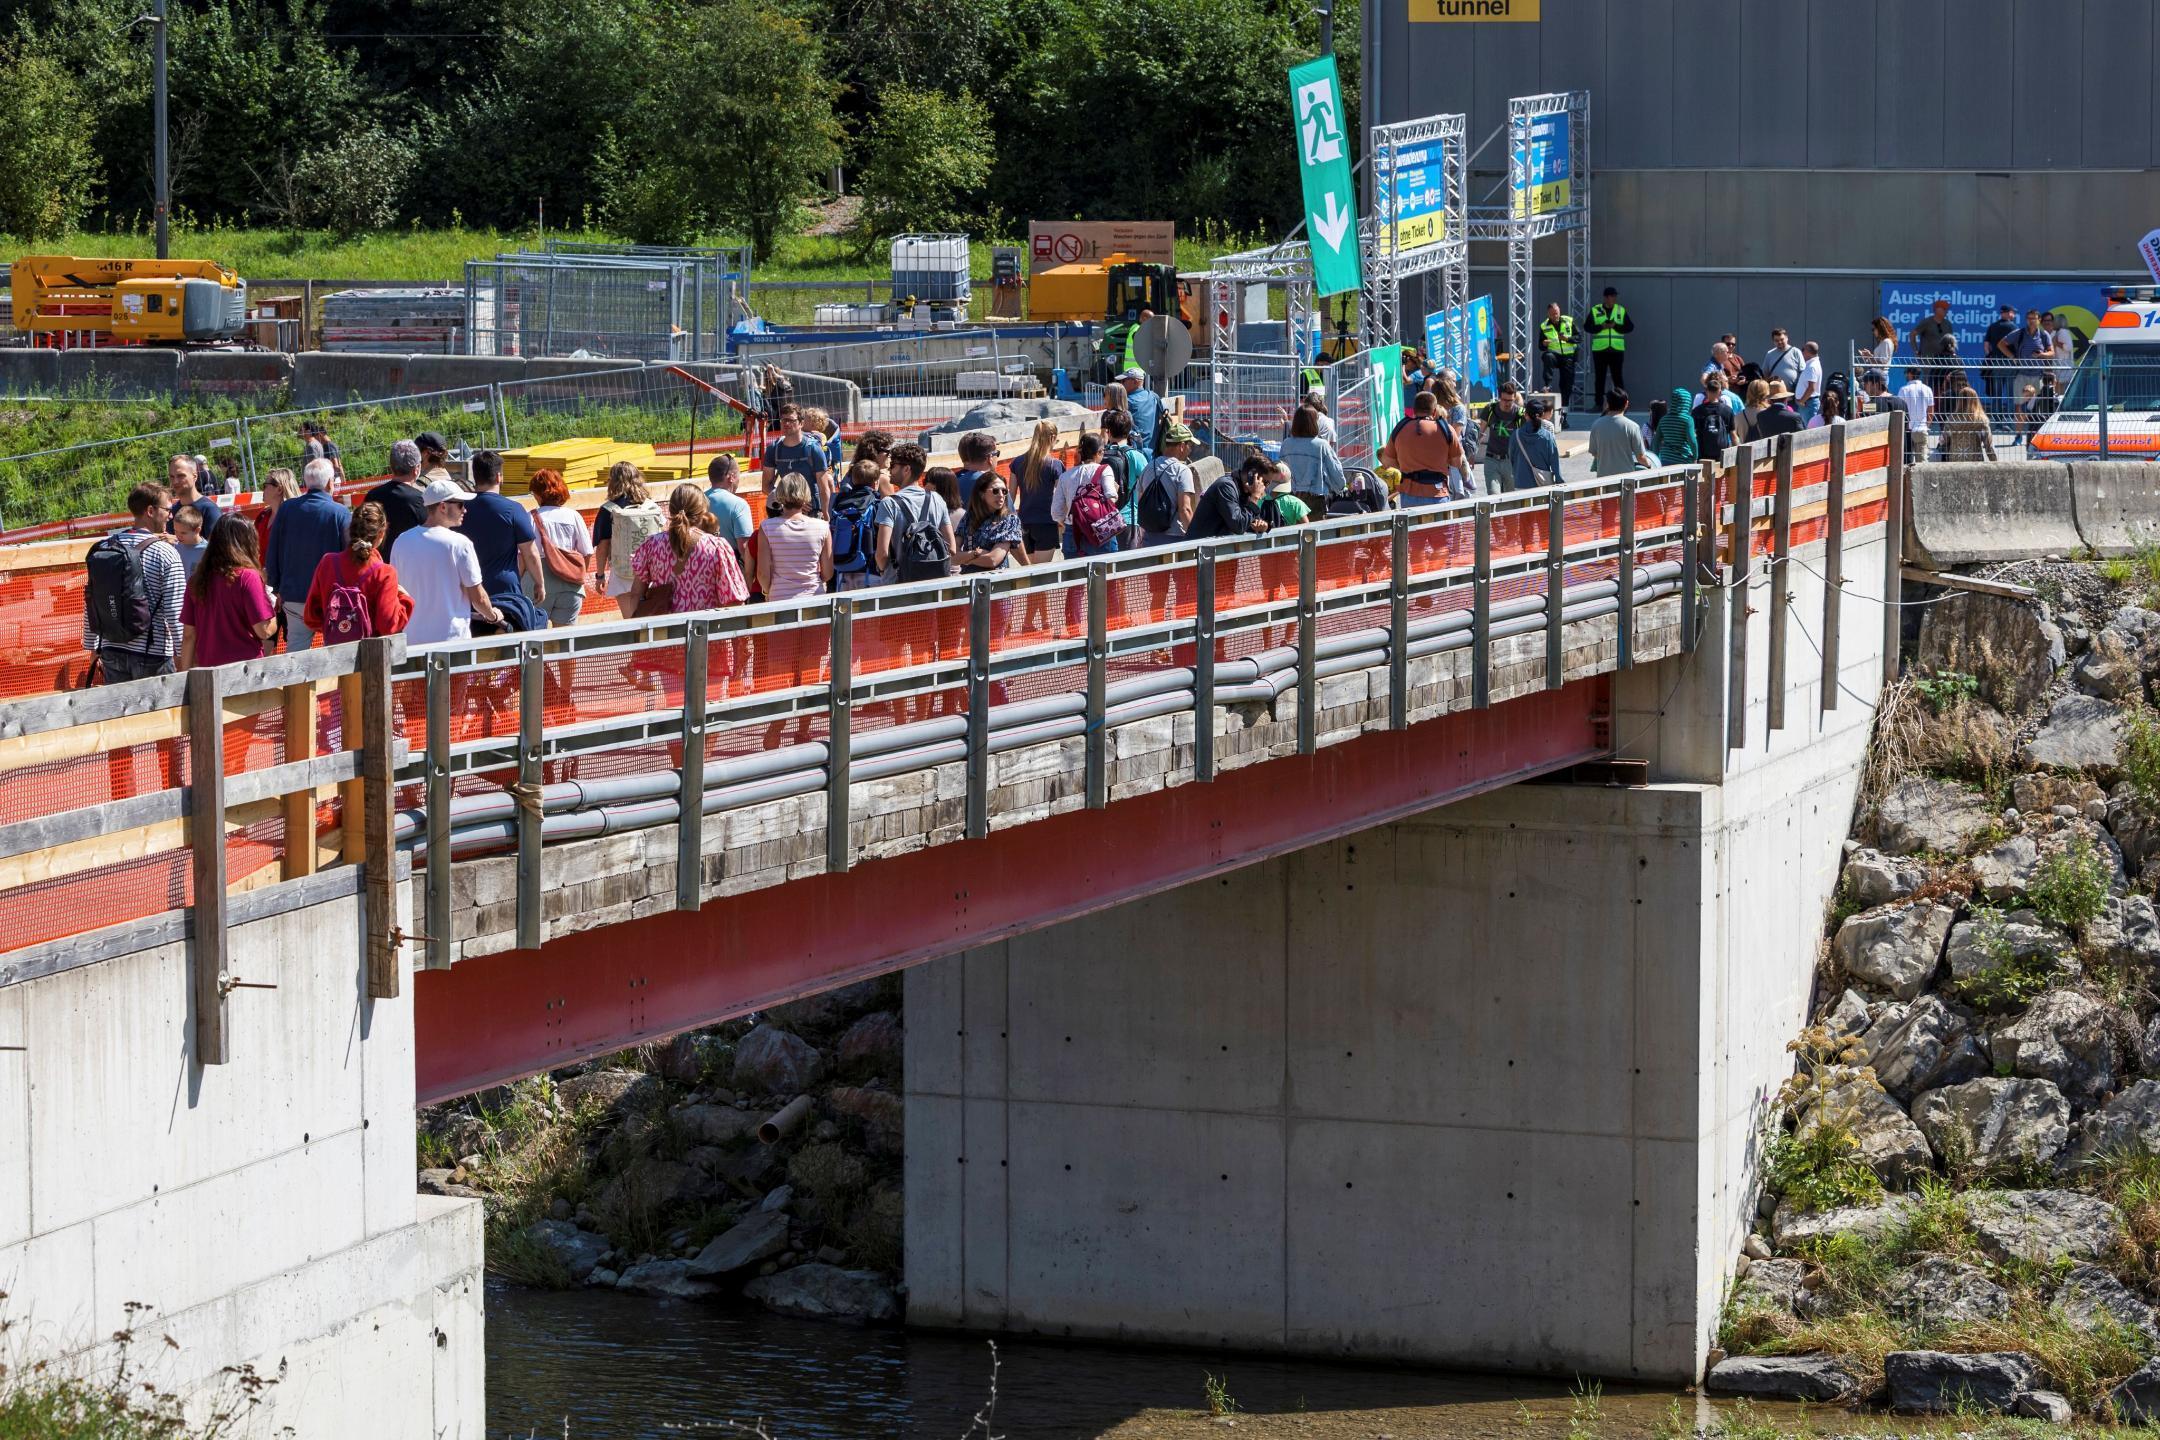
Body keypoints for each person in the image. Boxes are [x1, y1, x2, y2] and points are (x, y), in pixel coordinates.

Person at [83, 485, 186, 684]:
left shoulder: (104, 547)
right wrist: (183, 655)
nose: (170, 516)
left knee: (122, 715)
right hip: (153, 654)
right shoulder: (165, 553)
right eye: (167, 510)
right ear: (150, 511)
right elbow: (175, 610)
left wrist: (92, 646)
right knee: (161, 715)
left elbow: (92, 601)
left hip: (111, 650)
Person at [390, 476, 501, 644]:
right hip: (452, 641)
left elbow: (396, 590)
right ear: (442, 506)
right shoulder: (459, 543)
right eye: (460, 505)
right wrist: (493, 616)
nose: (465, 510)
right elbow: (478, 598)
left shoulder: (401, 541)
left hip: (412, 640)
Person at [264, 456, 350, 651]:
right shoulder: (340, 513)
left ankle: (297, 684)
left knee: (296, 653)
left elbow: (273, 550)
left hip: (293, 598)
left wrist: (276, 588)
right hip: (330, 598)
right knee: (334, 651)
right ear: (330, 483)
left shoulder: (287, 509)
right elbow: (348, 556)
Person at [628, 484, 749, 616]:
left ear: (670, 510)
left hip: (664, 632)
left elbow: (635, 594)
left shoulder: (651, 545)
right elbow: (734, 601)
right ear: (703, 512)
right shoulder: (717, 547)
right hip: (706, 632)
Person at [178, 516, 278, 670]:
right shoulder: (248, 577)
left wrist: (185, 676)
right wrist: (273, 608)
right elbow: (264, 631)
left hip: (208, 673)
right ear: (247, 542)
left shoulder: (195, 580)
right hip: (244, 672)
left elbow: (189, 636)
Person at [304, 501, 410, 642]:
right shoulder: (385, 573)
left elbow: (311, 617)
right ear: (381, 533)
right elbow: (388, 625)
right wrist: (405, 601)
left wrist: (341, 629)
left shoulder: (327, 563)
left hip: (334, 654)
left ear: (351, 529)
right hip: (373, 656)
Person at [458, 449, 539, 605]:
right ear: (498, 477)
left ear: (475, 477)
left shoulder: (459, 510)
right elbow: (530, 552)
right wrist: (540, 583)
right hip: (505, 590)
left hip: (469, 589)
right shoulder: (514, 509)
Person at [592, 462, 665, 618]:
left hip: (623, 572)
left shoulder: (608, 509)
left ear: (612, 481)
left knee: (631, 620)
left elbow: (603, 546)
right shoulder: (651, 506)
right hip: (651, 571)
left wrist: (600, 576)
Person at [876, 443, 956, 582]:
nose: (889, 469)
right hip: (934, 582)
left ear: (906, 469)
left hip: (898, 583)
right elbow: (952, 548)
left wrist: (884, 571)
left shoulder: (889, 503)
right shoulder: (937, 499)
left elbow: (882, 553)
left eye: (893, 465)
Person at [526, 469, 593, 628]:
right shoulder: (573, 516)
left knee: (535, 641)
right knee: (565, 641)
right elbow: (587, 552)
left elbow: (525, 555)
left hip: (536, 582)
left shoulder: (530, 517)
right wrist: (577, 577)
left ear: (538, 494)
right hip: (570, 585)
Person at [756, 474, 833, 602]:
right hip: (815, 598)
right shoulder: (823, 527)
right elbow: (828, 572)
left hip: (780, 599)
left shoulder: (766, 527)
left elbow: (763, 574)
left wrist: (770, 590)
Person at [1381, 391, 1466, 507]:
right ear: (1435, 411)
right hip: (1438, 493)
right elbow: (1457, 462)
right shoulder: (1446, 429)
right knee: (1438, 526)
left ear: (1414, 410)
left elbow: (1386, 461)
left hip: (1409, 494)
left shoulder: (1400, 428)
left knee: (1412, 525)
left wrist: (1405, 465)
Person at [1052, 431, 1123, 558]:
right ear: (1100, 452)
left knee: (1074, 577)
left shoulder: (1065, 476)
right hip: (1102, 530)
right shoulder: (1104, 470)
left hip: (1072, 532)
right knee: (1106, 575)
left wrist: (1071, 522)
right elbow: (1111, 497)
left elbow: (1056, 512)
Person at [1132, 419, 1200, 543]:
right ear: (1182, 446)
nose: (1190, 450)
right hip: (1173, 539)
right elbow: (1185, 509)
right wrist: (1195, 538)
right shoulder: (1182, 471)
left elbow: (1140, 499)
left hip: (1150, 537)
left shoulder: (1149, 467)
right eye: (1190, 445)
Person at [762, 405, 831, 516]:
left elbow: (824, 488)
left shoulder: (813, 449)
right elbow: (766, 487)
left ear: (801, 423)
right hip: (785, 512)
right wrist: (793, 501)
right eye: (783, 420)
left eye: (791, 420)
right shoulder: (773, 449)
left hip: (812, 512)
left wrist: (826, 515)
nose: (786, 424)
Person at [1011, 420, 1065, 563]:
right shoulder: (1055, 465)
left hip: (1023, 523)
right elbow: (1061, 496)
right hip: (1046, 522)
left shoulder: (1017, 462)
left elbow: (1009, 497)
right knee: (1042, 575)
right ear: (1052, 438)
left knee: (1029, 573)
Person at [1279, 404, 1346, 515]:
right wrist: (1340, 487)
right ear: (1314, 423)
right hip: (1315, 499)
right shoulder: (1321, 445)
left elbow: (1281, 470)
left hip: (1290, 497)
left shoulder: (1286, 444)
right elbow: (1335, 470)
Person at [364, 440, 429, 553]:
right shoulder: (420, 500)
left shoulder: (372, 496)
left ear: (391, 467)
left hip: (378, 564)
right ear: (416, 469)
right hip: (410, 563)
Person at [1186, 456, 1272, 539]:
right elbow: (1238, 526)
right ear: (1251, 475)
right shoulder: (1226, 486)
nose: (1264, 487)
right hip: (1199, 549)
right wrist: (1254, 498)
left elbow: (1247, 522)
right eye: (1265, 482)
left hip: (1213, 548)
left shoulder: (1244, 491)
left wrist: (1260, 526)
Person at [955, 470, 1025, 571]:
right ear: (981, 494)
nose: (1001, 495)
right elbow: (953, 556)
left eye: (1004, 491)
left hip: (996, 583)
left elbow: (993, 560)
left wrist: (965, 559)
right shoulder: (969, 517)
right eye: (995, 491)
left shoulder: (1009, 520)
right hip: (969, 580)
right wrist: (976, 553)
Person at [703, 454, 755, 573]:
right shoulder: (739, 505)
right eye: (738, 477)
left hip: (702, 566)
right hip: (731, 568)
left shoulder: (698, 500)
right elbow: (744, 548)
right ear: (731, 477)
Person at [1588, 388, 1652, 476]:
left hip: (1603, 478)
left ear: (1607, 404)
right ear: (1626, 404)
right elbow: (1640, 457)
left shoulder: (1596, 425)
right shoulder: (1632, 426)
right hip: (1626, 480)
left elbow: (1594, 453)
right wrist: (1650, 464)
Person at [1585, 287, 1632, 403]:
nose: (1614, 298)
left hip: (1616, 349)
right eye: (1612, 296)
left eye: (1615, 296)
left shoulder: (1620, 310)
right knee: (1600, 378)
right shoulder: (1596, 310)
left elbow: (1630, 327)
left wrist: (1615, 326)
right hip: (1600, 349)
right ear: (1606, 298)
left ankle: (1622, 404)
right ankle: (1598, 404)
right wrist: (1602, 326)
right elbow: (1587, 327)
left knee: (1618, 378)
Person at [1479, 381, 1526, 496]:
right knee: (1494, 496)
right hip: (1491, 459)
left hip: (1511, 462)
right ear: (1499, 397)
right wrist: (1471, 454)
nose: (1507, 403)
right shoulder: (1490, 409)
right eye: (1504, 400)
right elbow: (1480, 432)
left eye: (1510, 400)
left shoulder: (1520, 414)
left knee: (1510, 501)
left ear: (1515, 397)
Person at [1432, 376, 1475, 497]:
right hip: (1440, 455)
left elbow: (1455, 435)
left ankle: (1465, 483)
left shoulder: (1458, 408)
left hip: (1455, 453)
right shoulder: (1435, 409)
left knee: (1460, 494)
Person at [1510, 398, 1562, 490]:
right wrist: (1559, 481)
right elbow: (1555, 463)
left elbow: (1511, 459)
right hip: (1542, 485)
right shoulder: (1548, 436)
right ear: (1542, 415)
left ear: (1526, 415)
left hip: (1520, 484)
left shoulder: (1516, 435)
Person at [1937, 386, 1998, 462]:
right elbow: (1989, 446)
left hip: (1954, 462)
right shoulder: (1981, 421)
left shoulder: (1951, 420)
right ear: (1976, 401)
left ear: (1959, 401)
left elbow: (1942, 441)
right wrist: (1995, 462)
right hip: (1975, 462)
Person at [167, 454, 221, 538]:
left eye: (181, 476)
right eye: (172, 477)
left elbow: (217, 548)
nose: (175, 481)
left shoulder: (209, 510)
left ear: (194, 476)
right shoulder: (172, 511)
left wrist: (177, 541)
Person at [1538, 300, 1580, 405]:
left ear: (1559, 311)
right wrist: (1544, 344)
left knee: (1566, 384)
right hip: (1555, 356)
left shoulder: (1568, 321)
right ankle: (1548, 385)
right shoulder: (1544, 326)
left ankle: (1564, 411)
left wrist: (1567, 339)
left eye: (1556, 313)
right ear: (1548, 314)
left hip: (1568, 357)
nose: (1555, 316)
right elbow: (1540, 346)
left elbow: (1579, 337)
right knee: (1547, 356)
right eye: (1552, 314)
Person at [2010, 309, 2054, 402]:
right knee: (2019, 404)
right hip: (2021, 374)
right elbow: (2001, 344)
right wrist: (2012, 357)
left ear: (2039, 320)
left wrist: (2042, 354)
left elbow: (2052, 352)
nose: (2031, 321)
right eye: (2029, 318)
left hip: (2038, 375)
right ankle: (2018, 416)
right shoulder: (2020, 333)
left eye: (2034, 318)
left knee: (2035, 405)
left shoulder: (2043, 334)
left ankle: (2033, 416)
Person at [1980, 303, 2019, 407]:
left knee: (1996, 393)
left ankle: (1997, 419)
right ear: (2009, 313)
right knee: (2011, 392)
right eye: (2013, 313)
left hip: (1996, 361)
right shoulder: (2014, 327)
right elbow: (2017, 345)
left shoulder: (1992, 326)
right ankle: (2010, 420)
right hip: (2010, 362)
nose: (2014, 315)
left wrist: (1990, 356)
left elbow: (1986, 345)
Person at [1911, 299, 1956, 386]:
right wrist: (1916, 351)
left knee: (1942, 383)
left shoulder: (1948, 324)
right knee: (1927, 382)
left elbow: (1951, 341)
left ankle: (1940, 399)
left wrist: (1952, 354)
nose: (1946, 311)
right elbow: (1912, 334)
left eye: (1946, 309)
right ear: (1937, 310)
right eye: (1944, 309)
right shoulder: (1927, 322)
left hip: (1943, 360)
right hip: (1928, 359)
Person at [1118, 366, 1162, 455]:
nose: (1121, 384)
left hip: (1134, 453)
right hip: (1153, 452)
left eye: (1124, 381)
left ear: (1135, 381)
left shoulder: (1126, 401)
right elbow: (1165, 417)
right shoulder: (1154, 397)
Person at [1896, 370, 1936, 463]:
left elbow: (1899, 409)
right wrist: (1926, 426)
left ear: (1910, 374)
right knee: (1922, 461)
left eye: (1906, 373)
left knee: (1906, 461)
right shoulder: (1927, 389)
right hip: (1921, 428)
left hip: (1907, 429)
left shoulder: (1903, 390)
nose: (1905, 375)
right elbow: (1931, 411)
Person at [953, 431, 1000, 510]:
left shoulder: (950, 482)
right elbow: (1011, 518)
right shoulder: (996, 484)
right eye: (997, 453)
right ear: (990, 458)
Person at [1692, 378, 1738, 458]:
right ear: (1720, 392)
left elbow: (1693, 434)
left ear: (1706, 392)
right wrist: (1738, 454)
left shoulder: (1697, 411)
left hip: (1703, 455)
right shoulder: (1727, 410)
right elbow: (1733, 435)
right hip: (1722, 456)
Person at [251, 469, 291, 559]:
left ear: (279, 489)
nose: (262, 490)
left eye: (265, 486)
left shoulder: (292, 519)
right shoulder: (262, 516)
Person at [1655, 387, 1700, 466]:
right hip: (1682, 460)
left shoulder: (1664, 419)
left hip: (1665, 458)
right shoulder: (1687, 419)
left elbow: (1656, 441)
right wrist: (1695, 457)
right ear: (1687, 402)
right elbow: (1692, 441)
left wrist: (1656, 458)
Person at [171, 503, 209, 581]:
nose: (178, 535)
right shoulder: (175, 546)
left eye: (183, 533)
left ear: (197, 530)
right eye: (175, 531)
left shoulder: (207, 551)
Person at [1761, 329, 1802, 395]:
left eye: (1782, 339)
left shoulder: (1796, 352)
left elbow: (1803, 372)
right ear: (1773, 341)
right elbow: (1765, 374)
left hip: (1793, 394)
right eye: (1776, 340)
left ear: (1787, 338)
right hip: (1775, 395)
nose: (1779, 342)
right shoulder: (1770, 354)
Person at [2047, 312, 2079, 393]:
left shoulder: (2063, 332)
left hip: (2064, 364)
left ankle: (2061, 402)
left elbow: (2068, 347)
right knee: (2058, 384)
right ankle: (2059, 401)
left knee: (2061, 386)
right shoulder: (2058, 332)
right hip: (2060, 364)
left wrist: (2056, 343)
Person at [1794, 341, 1824, 423]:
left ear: (1807, 351)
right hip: (1807, 403)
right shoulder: (1812, 364)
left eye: (1803, 349)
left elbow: (1811, 388)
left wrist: (1801, 401)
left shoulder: (1812, 366)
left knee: (1808, 431)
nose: (1802, 351)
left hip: (1808, 403)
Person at [1864, 316, 1896, 385]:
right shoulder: (1883, 342)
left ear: (1880, 329)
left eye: (1874, 329)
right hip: (1877, 377)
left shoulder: (1886, 342)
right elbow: (1880, 361)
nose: (1873, 332)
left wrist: (1870, 358)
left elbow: (1883, 364)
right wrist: (1869, 356)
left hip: (1880, 377)